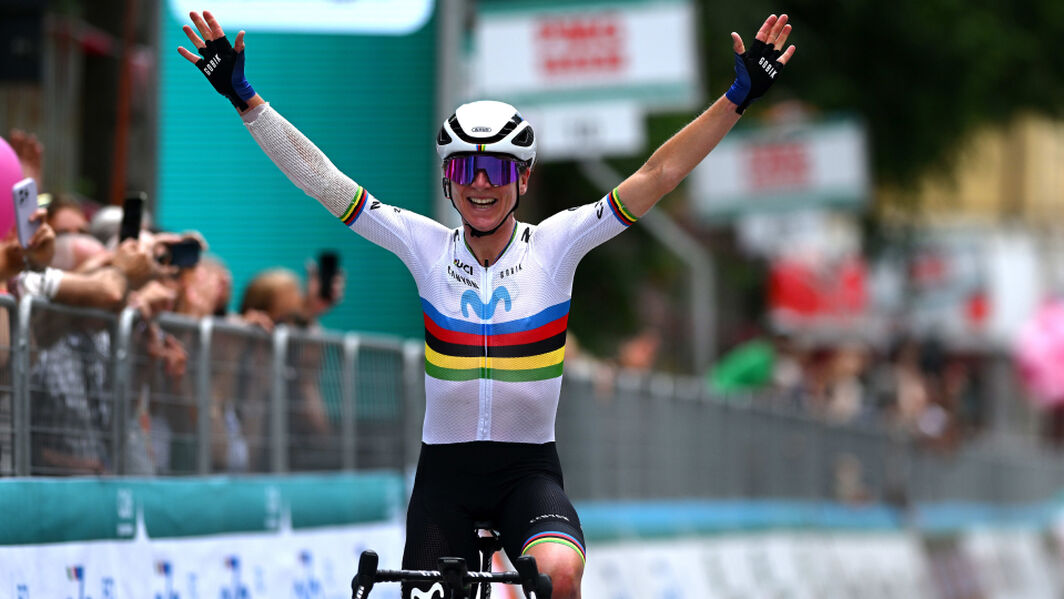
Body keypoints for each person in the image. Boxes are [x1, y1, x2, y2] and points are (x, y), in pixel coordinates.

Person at [179, 10, 794, 598]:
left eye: (497, 170)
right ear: (448, 178)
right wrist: (247, 101)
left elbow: (658, 175)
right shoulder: (422, 246)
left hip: (527, 474)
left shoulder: (559, 244)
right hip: (444, 476)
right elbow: (323, 178)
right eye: (466, 167)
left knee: (557, 575)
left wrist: (736, 98)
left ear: (522, 180)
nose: (480, 183)